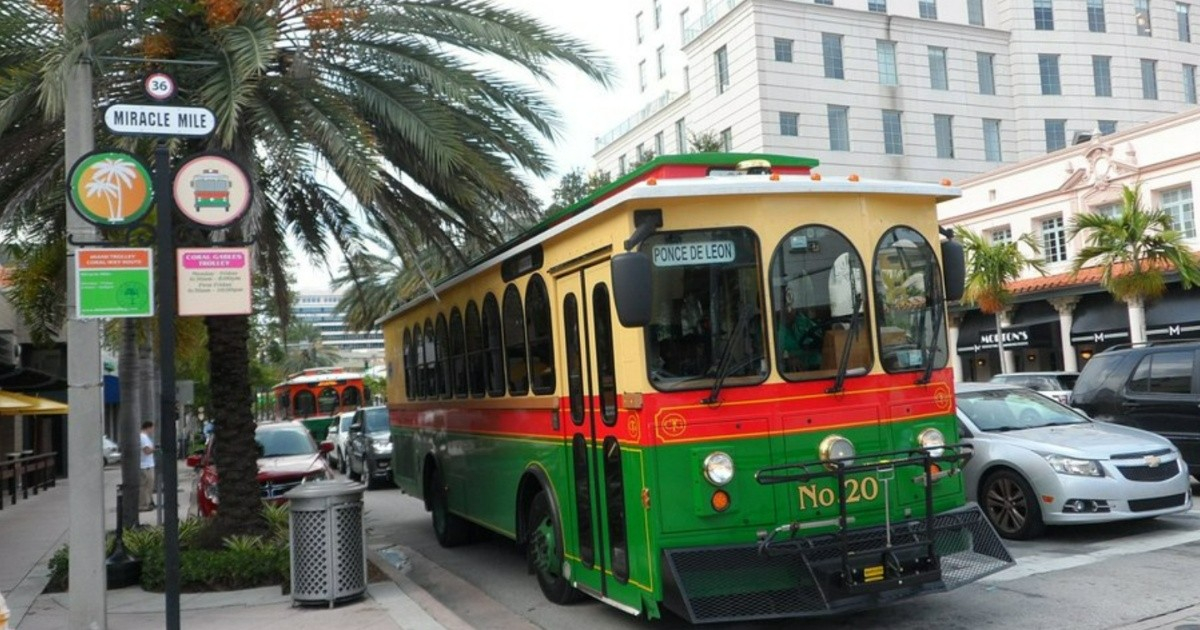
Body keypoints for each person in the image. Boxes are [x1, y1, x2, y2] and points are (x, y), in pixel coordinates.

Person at [139, 421, 156, 512]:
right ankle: (144, 504)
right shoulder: (143, 437)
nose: (153, 430)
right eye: (152, 428)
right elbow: (146, 451)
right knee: (146, 485)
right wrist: (154, 449)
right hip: (146, 465)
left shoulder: (145, 437)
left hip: (148, 464)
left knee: (149, 485)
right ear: (148, 428)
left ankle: (149, 502)